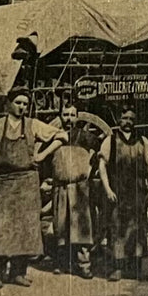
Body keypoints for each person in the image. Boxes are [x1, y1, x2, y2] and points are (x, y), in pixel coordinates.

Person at [0, 88, 65, 291]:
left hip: (28, 182)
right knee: (3, 227)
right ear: (8, 103)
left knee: (26, 228)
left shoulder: (33, 125)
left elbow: (62, 135)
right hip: (5, 182)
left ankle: (18, 272)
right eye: (18, 102)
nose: (22, 107)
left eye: (25, 103)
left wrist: (42, 155)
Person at [98, 106, 148, 281]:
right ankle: (117, 269)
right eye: (125, 118)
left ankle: (136, 269)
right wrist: (108, 189)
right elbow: (102, 166)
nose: (128, 122)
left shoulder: (143, 141)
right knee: (117, 230)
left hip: (137, 192)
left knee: (138, 230)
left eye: (131, 118)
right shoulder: (110, 141)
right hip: (118, 192)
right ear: (119, 120)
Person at [50, 103, 98, 279]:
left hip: (80, 187)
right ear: (61, 116)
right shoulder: (53, 136)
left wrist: (89, 168)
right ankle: (61, 263)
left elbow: (100, 151)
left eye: (72, 114)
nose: (69, 118)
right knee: (61, 226)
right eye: (65, 114)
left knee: (81, 227)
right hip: (60, 187)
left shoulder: (85, 136)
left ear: (77, 117)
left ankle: (84, 264)